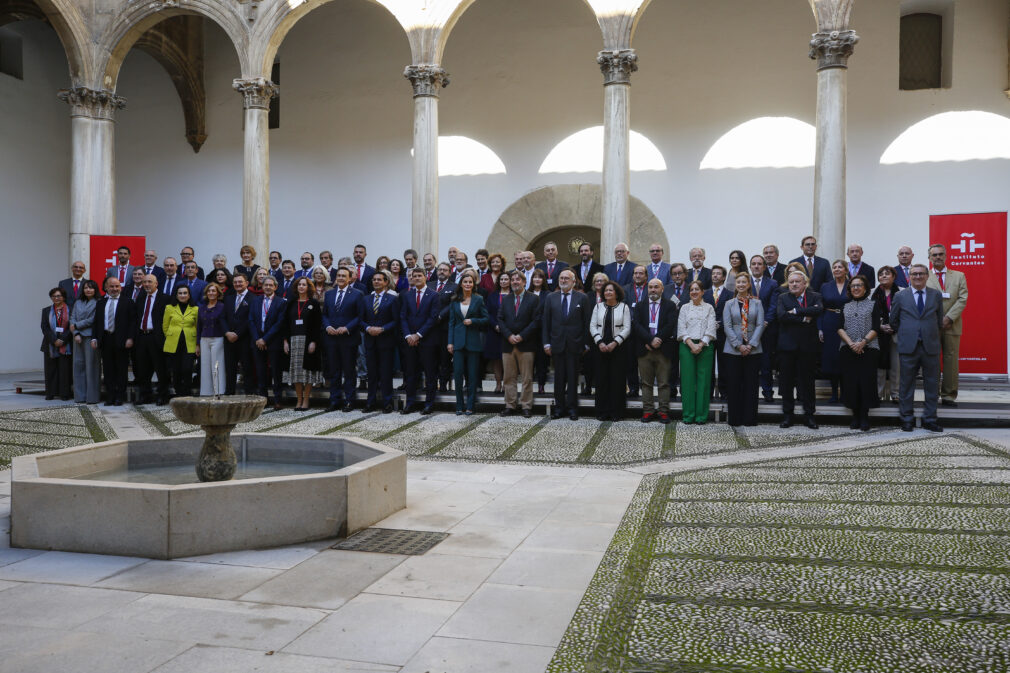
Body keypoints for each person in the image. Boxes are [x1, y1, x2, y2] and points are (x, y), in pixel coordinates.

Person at [890, 264, 944, 432]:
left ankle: (930, 419)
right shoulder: (900, 296)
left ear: (927, 276)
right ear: (909, 277)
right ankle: (906, 418)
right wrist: (908, 333)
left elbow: (939, 319)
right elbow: (894, 321)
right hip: (908, 346)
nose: (918, 277)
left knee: (932, 384)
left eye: (921, 274)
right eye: (914, 274)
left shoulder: (936, 295)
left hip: (930, 346)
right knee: (906, 384)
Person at [542, 269, 591, 420]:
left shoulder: (582, 298)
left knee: (572, 377)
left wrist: (586, 344)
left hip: (575, 345)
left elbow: (586, 323)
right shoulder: (551, 298)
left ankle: (572, 409)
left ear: (573, 281)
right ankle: (559, 408)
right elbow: (546, 323)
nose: (563, 280)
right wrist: (546, 343)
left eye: (566, 278)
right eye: (561, 278)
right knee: (559, 379)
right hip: (556, 344)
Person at [777, 270, 824, 428]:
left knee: (808, 383)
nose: (794, 284)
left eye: (797, 282)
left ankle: (809, 415)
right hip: (787, 347)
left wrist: (797, 311)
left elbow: (818, 310)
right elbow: (782, 316)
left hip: (808, 347)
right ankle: (788, 415)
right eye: (791, 282)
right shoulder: (783, 297)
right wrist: (804, 318)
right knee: (787, 383)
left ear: (805, 283)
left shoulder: (815, 296)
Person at [925, 243, 968, 407]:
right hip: (931, 326)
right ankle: (932, 394)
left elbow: (962, 298)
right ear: (929, 258)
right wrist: (937, 319)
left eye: (940, 254)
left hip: (952, 324)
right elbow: (922, 300)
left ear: (946, 256)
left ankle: (949, 395)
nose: (937, 257)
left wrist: (949, 318)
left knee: (951, 360)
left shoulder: (959, 275)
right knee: (932, 360)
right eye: (934, 255)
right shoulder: (924, 276)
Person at [837, 275, 880, 430]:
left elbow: (876, 326)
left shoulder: (873, 305)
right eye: (853, 286)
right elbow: (839, 327)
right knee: (850, 383)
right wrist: (851, 344)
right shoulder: (844, 305)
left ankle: (864, 416)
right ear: (849, 289)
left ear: (865, 288)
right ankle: (854, 415)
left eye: (859, 285)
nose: (856, 288)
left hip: (868, 349)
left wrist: (863, 343)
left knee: (866, 383)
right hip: (848, 350)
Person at [722, 273, 764, 427]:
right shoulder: (729, 304)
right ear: (735, 285)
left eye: (743, 282)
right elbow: (727, 326)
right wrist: (738, 345)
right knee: (733, 384)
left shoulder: (757, 303)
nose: (740, 284)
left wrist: (751, 345)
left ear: (748, 285)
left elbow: (760, 325)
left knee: (751, 385)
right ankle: (734, 419)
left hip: (753, 349)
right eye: (738, 282)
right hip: (733, 350)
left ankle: (750, 419)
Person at [633, 278, 677, 423]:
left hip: (663, 349)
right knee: (646, 383)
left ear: (662, 289)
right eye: (650, 287)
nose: (653, 290)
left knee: (664, 383)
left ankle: (663, 412)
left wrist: (658, 339)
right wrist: (649, 340)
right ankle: (648, 411)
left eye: (656, 287)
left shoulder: (670, 305)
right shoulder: (640, 305)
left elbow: (670, 324)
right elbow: (637, 325)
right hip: (645, 350)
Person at [499, 270, 540, 418]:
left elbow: (536, 321)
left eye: (518, 280)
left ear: (524, 282)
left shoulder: (534, 299)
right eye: (513, 280)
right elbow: (500, 319)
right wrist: (509, 335)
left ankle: (526, 406)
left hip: (526, 344)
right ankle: (510, 405)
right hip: (508, 344)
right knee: (509, 378)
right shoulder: (506, 299)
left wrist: (522, 336)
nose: (515, 282)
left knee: (527, 378)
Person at [322, 267, 363, 412]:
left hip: (348, 338)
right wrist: (327, 327)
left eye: (343, 276)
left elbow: (360, 316)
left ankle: (349, 401)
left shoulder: (357, 294)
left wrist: (347, 328)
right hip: (331, 338)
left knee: (349, 371)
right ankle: (334, 400)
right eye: (338, 275)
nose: (340, 278)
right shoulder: (329, 294)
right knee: (334, 371)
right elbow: (325, 315)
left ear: (350, 278)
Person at [448, 270, 489, 415]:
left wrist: (473, 321)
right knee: (458, 375)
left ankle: (470, 406)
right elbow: (451, 323)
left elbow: (486, 319)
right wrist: (450, 342)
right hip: (458, 343)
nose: (467, 284)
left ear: (473, 284)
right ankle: (459, 405)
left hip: (473, 342)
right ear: (461, 284)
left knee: (472, 376)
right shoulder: (454, 300)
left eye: (470, 282)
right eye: (465, 282)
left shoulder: (478, 299)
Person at [399, 267, 439, 415]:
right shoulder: (407, 295)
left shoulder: (434, 295)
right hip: (409, 341)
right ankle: (410, 403)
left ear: (425, 277)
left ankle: (429, 403)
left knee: (429, 374)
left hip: (427, 340)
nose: (416, 278)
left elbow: (433, 318)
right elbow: (402, 317)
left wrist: (418, 335)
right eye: (414, 276)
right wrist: (409, 335)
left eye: (419, 276)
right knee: (410, 373)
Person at [590, 281, 631, 421]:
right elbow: (592, 326)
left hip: (618, 348)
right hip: (600, 348)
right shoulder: (598, 306)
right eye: (606, 290)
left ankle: (616, 413)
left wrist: (615, 342)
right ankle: (602, 412)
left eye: (611, 290)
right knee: (602, 380)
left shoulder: (624, 307)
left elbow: (627, 328)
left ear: (616, 293)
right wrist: (599, 342)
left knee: (617, 380)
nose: (608, 292)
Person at [677, 281, 717, 424]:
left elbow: (711, 328)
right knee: (687, 381)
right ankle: (688, 415)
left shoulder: (709, 308)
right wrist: (691, 344)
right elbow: (681, 328)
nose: (694, 292)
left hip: (705, 346)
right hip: (686, 346)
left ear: (702, 292)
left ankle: (701, 416)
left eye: (697, 289)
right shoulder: (684, 308)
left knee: (704, 381)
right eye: (692, 289)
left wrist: (700, 344)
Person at [361, 270, 398, 413]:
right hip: (370, 340)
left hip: (386, 340)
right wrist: (368, 328)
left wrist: (382, 329)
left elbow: (396, 320)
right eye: (374, 279)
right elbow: (360, 319)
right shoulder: (366, 299)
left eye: (379, 280)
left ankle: (387, 402)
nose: (376, 282)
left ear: (385, 282)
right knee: (372, 374)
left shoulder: (392, 299)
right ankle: (370, 402)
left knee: (386, 374)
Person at [283, 277, 323, 410]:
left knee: (308, 373)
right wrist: (285, 341)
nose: (301, 287)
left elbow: (318, 325)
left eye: (304, 285)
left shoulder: (314, 303)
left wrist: (314, 342)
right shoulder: (291, 303)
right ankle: (298, 400)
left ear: (308, 287)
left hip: (308, 341)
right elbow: (286, 324)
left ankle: (306, 400)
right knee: (296, 373)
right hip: (293, 341)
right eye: (299, 284)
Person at [95, 277, 135, 406]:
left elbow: (132, 322)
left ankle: (120, 396)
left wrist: (130, 338)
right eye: (111, 286)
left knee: (121, 369)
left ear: (120, 287)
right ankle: (110, 396)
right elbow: (97, 322)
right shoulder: (101, 302)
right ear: (106, 287)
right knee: (108, 370)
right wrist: (95, 338)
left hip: (122, 340)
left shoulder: (128, 302)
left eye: (117, 286)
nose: (114, 289)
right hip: (106, 339)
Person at [250, 276, 287, 409]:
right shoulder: (255, 301)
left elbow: (280, 323)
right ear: (262, 286)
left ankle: (277, 400)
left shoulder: (281, 302)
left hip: (273, 341)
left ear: (275, 287)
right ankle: (263, 400)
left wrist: (265, 339)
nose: (268, 287)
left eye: (271, 285)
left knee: (276, 371)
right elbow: (251, 321)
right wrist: (257, 339)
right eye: (266, 285)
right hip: (257, 341)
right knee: (260, 371)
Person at [133, 274, 170, 405]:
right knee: (143, 369)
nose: (147, 284)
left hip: (157, 337)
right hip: (142, 337)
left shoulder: (165, 298)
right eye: (145, 282)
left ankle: (162, 395)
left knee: (161, 369)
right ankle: (145, 395)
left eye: (149, 282)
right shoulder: (141, 297)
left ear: (156, 284)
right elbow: (137, 317)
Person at [818, 260, 850, 402]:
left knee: (845, 357)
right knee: (831, 358)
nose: (837, 269)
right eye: (834, 267)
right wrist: (819, 328)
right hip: (829, 322)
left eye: (840, 267)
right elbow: (820, 308)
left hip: (848, 322)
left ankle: (845, 393)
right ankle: (833, 393)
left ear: (846, 270)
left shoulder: (852, 284)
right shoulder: (825, 286)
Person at [748, 255, 778, 403]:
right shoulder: (744, 282)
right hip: (748, 329)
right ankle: (750, 392)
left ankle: (767, 392)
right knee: (750, 363)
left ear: (764, 267)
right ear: (750, 266)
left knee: (766, 362)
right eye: (753, 264)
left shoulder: (772, 283)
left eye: (759, 264)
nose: (756, 266)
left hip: (767, 329)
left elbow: (773, 306)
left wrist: (765, 322)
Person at [162, 285, 199, 399]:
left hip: (189, 342)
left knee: (187, 369)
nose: (182, 295)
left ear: (189, 295)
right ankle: (178, 392)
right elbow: (165, 325)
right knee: (176, 369)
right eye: (180, 293)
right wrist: (170, 335)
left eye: (185, 293)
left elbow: (198, 326)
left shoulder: (195, 308)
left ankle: (187, 392)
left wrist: (198, 343)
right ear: (176, 295)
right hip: (174, 343)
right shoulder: (169, 307)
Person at [69, 279, 101, 404]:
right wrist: (75, 333)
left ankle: (92, 397)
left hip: (90, 337)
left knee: (91, 367)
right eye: (86, 288)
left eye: (91, 288)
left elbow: (94, 319)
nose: (88, 290)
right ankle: (80, 396)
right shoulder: (78, 302)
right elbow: (72, 318)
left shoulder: (99, 302)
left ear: (95, 290)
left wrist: (77, 325)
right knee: (78, 367)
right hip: (78, 338)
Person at [872, 266, 900, 403]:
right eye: (881, 274)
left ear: (894, 276)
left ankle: (895, 394)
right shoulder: (872, 293)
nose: (883, 276)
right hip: (879, 334)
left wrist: (894, 326)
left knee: (896, 365)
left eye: (887, 274)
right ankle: (878, 393)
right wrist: (880, 326)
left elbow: (906, 314)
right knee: (879, 366)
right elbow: (869, 315)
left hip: (897, 334)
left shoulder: (902, 292)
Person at [428, 262, 457, 392]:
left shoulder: (455, 287)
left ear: (449, 273)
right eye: (440, 269)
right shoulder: (429, 285)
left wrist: (439, 316)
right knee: (431, 357)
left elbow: (453, 304)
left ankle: (444, 384)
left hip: (444, 327)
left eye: (445, 270)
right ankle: (431, 383)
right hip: (429, 328)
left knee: (445, 358)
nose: (442, 272)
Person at [705, 266, 733, 400]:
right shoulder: (704, 293)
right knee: (708, 364)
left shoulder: (730, 294)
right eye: (713, 273)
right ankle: (708, 392)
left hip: (724, 333)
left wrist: (720, 323)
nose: (715, 276)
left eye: (718, 274)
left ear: (723, 277)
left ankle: (724, 392)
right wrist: (711, 324)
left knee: (724, 364)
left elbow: (732, 312)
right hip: (708, 334)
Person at [224, 275, 254, 395]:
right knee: (229, 368)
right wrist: (227, 332)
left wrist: (237, 333)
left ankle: (248, 394)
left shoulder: (253, 299)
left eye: (240, 282)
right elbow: (222, 317)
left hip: (244, 339)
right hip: (229, 339)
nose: (237, 284)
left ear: (246, 283)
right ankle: (229, 393)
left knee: (247, 368)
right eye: (235, 282)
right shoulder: (228, 298)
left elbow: (251, 319)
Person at [42, 287, 73, 400]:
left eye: (59, 296)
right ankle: (50, 393)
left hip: (66, 344)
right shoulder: (46, 310)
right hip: (50, 344)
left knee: (64, 370)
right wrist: (54, 340)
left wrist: (63, 339)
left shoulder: (71, 309)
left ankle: (64, 393)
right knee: (50, 370)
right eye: (54, 296)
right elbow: (44, 327)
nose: (56, 298)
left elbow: (72, 326)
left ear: (63, 297)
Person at [197, 283, 228, 396]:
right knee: (205, 366)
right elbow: (198, 326)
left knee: (217, 365)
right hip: (204, 339)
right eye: (209, 291)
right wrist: (197, 344)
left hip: (218, 338)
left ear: (218, 293)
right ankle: (206, 392)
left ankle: (219, 390)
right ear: (206, 293)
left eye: (213, 291)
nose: (211, 293)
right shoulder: (201, 308)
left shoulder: (222, 306)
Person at [582, 273, 609, 396]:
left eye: (602, 281)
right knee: (588, 363)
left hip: (604, 336)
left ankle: (601, 388)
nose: (599, 283)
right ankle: (588, 387)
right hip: (589, 335)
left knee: (602, 364)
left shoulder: (609, 296)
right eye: (597, 281)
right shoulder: (588, 296)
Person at [483, 271, 510, 393]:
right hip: (494, 331)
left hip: (509, 332)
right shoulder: (492, 295)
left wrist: (505, 327)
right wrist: (495, 325)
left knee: (507, 360)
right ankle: (498, 383)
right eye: (501, 279)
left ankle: (506, 384)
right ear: (498, 282)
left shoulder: (514, 295)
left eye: (506, 279)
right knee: (496, 359)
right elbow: (487, 313)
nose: (503, 281)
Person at [529, 269, 550, 394]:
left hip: (542, 332)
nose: (537, 279)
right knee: (529, 362)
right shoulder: (527, 293)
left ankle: (541, 386)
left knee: (542, 361)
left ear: (543, 280)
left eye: (540, 277)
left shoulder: (548, 294)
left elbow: (547, 313)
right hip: (529, 333)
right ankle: (529, 387)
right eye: (535, 277)